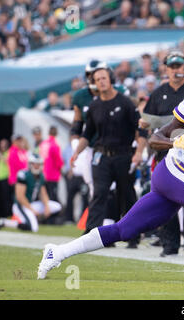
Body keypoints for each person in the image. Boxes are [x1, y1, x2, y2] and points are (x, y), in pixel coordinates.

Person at [37, 69, 184, 279]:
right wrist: (174, 143)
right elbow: (155, 138)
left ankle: (57, 251)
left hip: (181, 179)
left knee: (123, 229)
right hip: (176, 169)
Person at [71, 66, 147, 236]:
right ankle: (91, 233)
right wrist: (76, 152)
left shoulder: (125, 102)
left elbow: (141, 130)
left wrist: (139, 152)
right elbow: (87, 133)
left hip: (124, 154)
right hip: (102, 155)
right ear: (94, 84)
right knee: (99, 193)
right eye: (97, 80)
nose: (101, 82)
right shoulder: (94, 106)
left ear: (110, 79)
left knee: (126, 194)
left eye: (104, 78)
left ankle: (132, 234)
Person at [142, 51, 184, 257]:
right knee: (165, 198)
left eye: (180, 66)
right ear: (166, 68)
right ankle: (170, 243)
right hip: (165, 151)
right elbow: (146, 124)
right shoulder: (158, 93)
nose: (176, 70)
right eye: (172, 66)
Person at [70, 60, 129, 200]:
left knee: (119, 186)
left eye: (103, 76)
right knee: (93, 185)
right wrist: (75, 147)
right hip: (92, 147)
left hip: (117, 148)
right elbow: (77, 125)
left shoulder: (119, 92)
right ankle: (101, 219)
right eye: (93, 76)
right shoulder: (81, 97)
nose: (98, 80)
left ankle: (116, 217)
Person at [0, 153, 61, 232]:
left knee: (57, 206)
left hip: (31, 204)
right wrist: (33, 211)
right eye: (35, 164)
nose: (37, 166)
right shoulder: (24, 175)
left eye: (39, 164)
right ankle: (6, 222)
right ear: (30, 164)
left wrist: (47, 207)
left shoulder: (41, 176)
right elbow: (20, 197)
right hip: (21, 206)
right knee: (33, 228)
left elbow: (43, 194)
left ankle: (35, 219)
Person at [39, 126, 64, 203]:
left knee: (44, 195)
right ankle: (52, 213)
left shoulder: (43, 144)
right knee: (52, 196)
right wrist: (61, 168)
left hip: (43, 174)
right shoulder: (54, 145)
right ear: (56, 133)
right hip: (52, 175)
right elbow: (58, 162)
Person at [0, 138, 12, 217]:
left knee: (6, 197)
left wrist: (1, 156)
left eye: (3, 144)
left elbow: (8, 161)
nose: (2, 146)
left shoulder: (9, 153)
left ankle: (7, 214)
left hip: (5, 178)